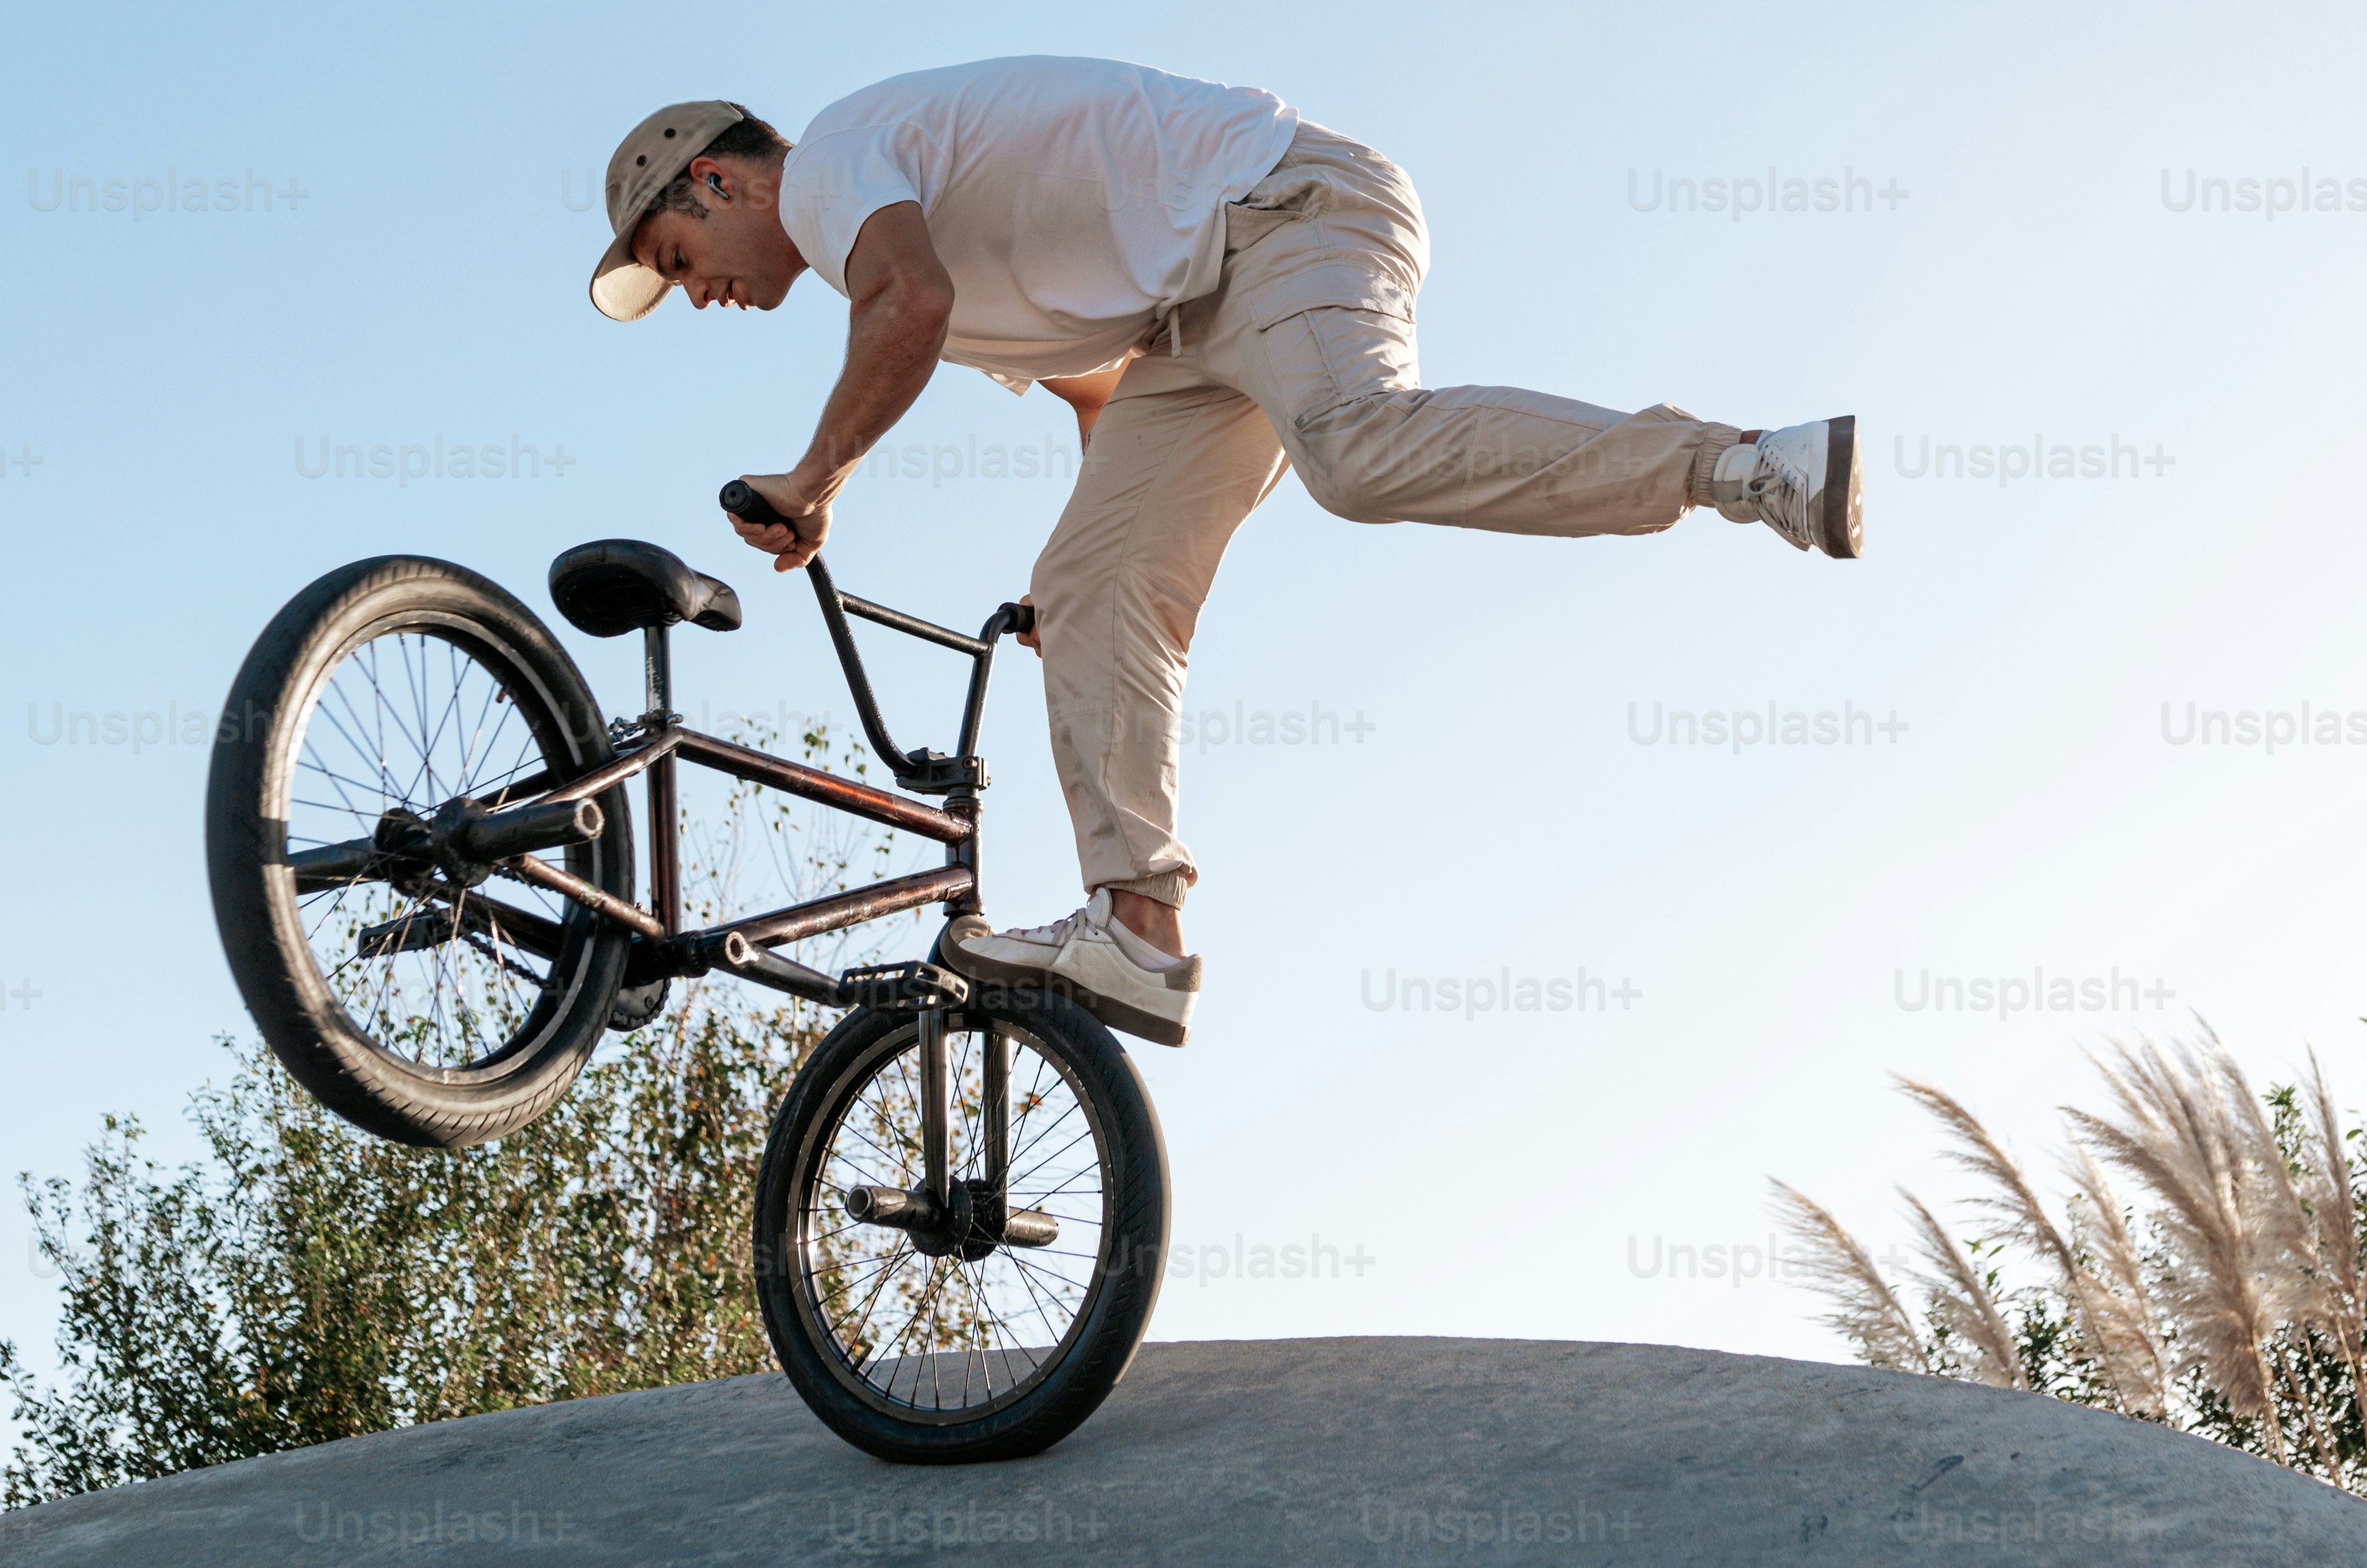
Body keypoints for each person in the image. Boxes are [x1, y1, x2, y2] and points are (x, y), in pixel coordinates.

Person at [587, 60, 1858, 1050]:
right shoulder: (903, 244)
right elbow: (1096, 396)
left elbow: (901, 310)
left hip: (1286, 210)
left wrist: (814, 480)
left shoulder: (831, 169)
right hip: (1192, 325)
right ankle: (1136, 922)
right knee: (1089, 582)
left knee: (1350, 452)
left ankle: (1745, 463)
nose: (700, 294)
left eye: (678, 262)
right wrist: (1083, 590)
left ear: (718, 182)